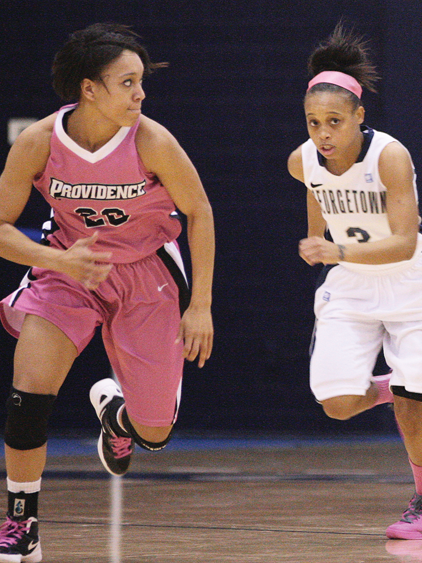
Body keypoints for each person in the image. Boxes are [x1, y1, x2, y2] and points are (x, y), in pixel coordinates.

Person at [0, 23, 215, 561]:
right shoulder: (39, 142)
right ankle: (20, 523)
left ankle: (118, 417)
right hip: (69, 270)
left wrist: (201, 305)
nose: (140, 94)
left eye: (141, 81)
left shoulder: (152, 140)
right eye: (128, 82)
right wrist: (56, 260)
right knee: (28, 396)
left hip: (147, 273)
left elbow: (200, 211)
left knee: (155, 431)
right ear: (89, 88)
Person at [288, 24, 422, 540]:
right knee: (338, 404)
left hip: (415, 285)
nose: (323, 133)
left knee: (413, 409)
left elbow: (406, 241)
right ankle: (401, 386)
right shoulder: (303, 162)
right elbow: (316, 200)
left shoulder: (389, 155)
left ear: (359, 117)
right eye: (314, 122)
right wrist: (317, 241)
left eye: (335, 121)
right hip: (354, 288)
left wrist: (335, 249)